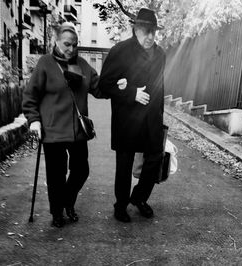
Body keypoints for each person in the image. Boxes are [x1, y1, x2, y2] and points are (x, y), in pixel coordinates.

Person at [22, 22, 105, 227]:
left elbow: (100, 89)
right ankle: (57, 212)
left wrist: (118, 84)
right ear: (56, 41)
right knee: (56, 175)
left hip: (77, 131)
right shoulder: (45, 63)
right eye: (67, 44)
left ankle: (67, 201)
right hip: (53, 131)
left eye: (75, 45)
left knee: (81, 170)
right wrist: (34, 121)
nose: (71, 49)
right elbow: (30, 96)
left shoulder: (83, 65)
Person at [99, 8, 166, 222]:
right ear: (135, 28)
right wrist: (131, 93)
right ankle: (121, 205)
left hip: (151, 119)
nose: (150, 36)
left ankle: (138, 198)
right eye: (146, 31)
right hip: (126, 119)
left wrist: (160, 116)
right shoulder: (120, 51)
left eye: (153, 31)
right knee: (125, 164)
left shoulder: (160, 54)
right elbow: (104, 85)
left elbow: (160, 87)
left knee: (155, 159)